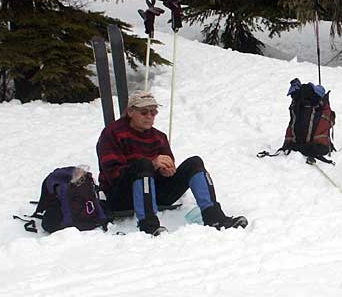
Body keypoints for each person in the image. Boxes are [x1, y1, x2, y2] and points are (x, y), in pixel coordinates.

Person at [96, 90, 247, 235]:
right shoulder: (112, 133)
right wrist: (152, 164)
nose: (149, 116)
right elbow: (113, 175)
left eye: (153, 112)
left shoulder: (159, 136)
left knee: (195, 162)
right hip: (121, 196)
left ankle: (214, 216)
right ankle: (148, 225)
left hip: (154, 192)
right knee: (143, 165)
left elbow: (168, 163)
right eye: (144, 112)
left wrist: (167, 171)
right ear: (130, 112)